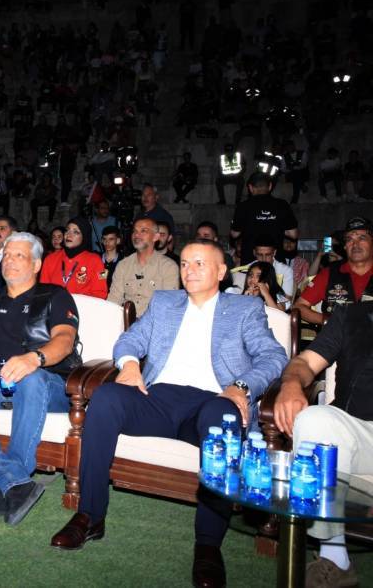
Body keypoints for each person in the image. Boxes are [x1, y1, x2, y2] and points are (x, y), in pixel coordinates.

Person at [50, 240, 286, 588]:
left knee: (222, 418)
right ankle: (90, 515)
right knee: (106, 398)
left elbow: (274, 356)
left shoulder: (244, 309)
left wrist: (241, 386)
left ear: (222, 272)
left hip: (212, 401)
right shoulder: (165, 302)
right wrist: (129, 365)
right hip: (158, 397)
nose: (189, 270)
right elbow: (129, 341)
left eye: (200, 263)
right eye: (185, 263)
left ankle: (208, 545)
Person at [0, 231, 81, 526]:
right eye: (6, 255)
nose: (9, 260)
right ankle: (15, 482)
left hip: (49, 383)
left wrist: (34, 358)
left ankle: (12, 479)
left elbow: (64, 340)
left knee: (31, 379)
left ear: (36, 264)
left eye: (19, 255)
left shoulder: (54, 296)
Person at [272, 301, 373, 587]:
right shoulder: (352, 316)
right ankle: (334, 557)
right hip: (358, 432)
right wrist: (291, 384)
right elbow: (305, 363)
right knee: (315, 418)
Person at [294, 217, 373, 325]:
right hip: (337, 333)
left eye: (362, 238)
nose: (355, 244)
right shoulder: (330, 273)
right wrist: (327, 321)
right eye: (349, 239)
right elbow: (299, 306)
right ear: (345, 246)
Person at [106, 217, 180, 317]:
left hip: (154, 322)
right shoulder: (123, 265)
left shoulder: (168, 267)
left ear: (155, 237)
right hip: (126, 322)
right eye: (135, 231)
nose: (137, 235)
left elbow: (169, 307)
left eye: (143, 231)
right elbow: (114, 300)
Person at [230, 171, 298, 264]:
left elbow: (234, 234)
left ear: (250, 187)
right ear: (270, 186)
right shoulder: (282, 205)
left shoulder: (243, 207)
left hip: (250, 262)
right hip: (275, 262)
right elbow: (293, 234)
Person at [39, 216, 108, 299]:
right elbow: (43, 291)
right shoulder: (50, 259)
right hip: (55, 305)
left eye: (76, 232)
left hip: (83, 306)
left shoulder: (97, 261)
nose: (69, 235)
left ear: (84, 236)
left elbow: (101, 293)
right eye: (67, 230)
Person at [100, 226, 123, 290]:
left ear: (118, 241)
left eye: (111, 239)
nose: (107, 242)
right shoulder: (97, 260)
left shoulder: (124, 262)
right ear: (102, 240)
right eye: (104, 239)